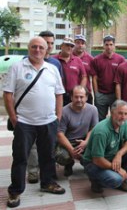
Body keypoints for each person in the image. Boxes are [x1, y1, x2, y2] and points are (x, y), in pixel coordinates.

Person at [3, 37, 66, 208]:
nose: (37, 50)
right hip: (24, 122)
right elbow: (8, 94)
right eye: (34, 47)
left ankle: (48, 183)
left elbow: (59, 94)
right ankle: (15, 191)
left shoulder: (52, 69)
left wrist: (58, 117)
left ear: (47, 50)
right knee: (20, 158)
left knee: (48, 156)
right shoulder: (17, 68)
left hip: (48, 122)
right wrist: (14, 119)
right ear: (28, 48)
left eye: (41, 47)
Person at [27, 31, 63, 184]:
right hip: (28, 116)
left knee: (48, 145)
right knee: (32, 146)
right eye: (45, 43)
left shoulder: (55, 64)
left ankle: (47, 174)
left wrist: (58, 115)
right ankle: (33, 172)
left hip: (49, 115)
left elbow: (58, 91)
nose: (48, 46)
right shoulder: (24, 63)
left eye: (51, 43)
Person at [83, 100, 127, 193]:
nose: (124, 117)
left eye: (126, 114)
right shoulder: (101, 131)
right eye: (120, 113)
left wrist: (119, 154)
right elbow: (97, 159)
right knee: (115, 180)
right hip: (93, 163)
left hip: (111, 157)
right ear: (112, 113)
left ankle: (123, 180)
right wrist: (118, 169)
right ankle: (96, 181)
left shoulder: (123, 123)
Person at [56, 85, 99, 177]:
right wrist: (71, 150)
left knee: (98, 151)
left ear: (86, 97)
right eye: (76, 97)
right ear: (71, 97)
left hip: (85, 140)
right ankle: (69, 164)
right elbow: (60, 134)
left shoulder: (93, 110)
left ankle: (87, 164)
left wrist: (86, 142)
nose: (79, 99)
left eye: (81, 97)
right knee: (61, 156)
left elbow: (94, 129)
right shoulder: (64, 111)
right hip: (69, 142)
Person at [90, 35, 125, 120]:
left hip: (114, 94)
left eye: (111, 44)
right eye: (106, 44)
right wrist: (96, 93)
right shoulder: (97, 60)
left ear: (114, 45)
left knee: (116, 117)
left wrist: (119, 96)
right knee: (100, 119)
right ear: (103, 45)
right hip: (101, 94)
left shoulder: (121, 59)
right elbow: (94, 78)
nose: (108, 47)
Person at [54, 37, 87, 106]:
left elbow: (84, 77)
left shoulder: (77, 60)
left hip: (73, 97)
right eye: (67, 45)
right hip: (56, 95)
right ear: (61, 46)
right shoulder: (53, 60)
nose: (69, 48)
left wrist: (80, 91)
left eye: (72, 46)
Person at [73, 34, 94, 104]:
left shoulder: (90, 59)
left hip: (86, 92)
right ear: (74, 44)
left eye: (82, 43)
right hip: (72, 93)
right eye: (78, 43)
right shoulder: (69, 57)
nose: (80, 45)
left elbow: (94, 76)